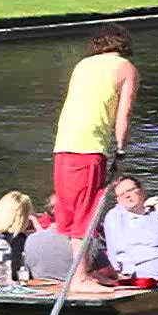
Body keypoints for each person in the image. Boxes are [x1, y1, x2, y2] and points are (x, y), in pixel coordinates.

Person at [50, 25, 139, 239]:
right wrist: (120, 151)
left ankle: (78, 268)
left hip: (63, 144)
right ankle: (81, 272)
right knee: (88, 213)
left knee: (70, 214)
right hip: (90, 146)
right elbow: (123, 114)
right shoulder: (126, 68)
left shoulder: (82, 65)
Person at [101, 176, 158, 280]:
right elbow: (114, 250)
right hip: (134, 274)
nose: (127, 196)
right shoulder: (115, 217)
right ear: (118, 200)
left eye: (130, 190)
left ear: (142, 191)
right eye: (121, 194)